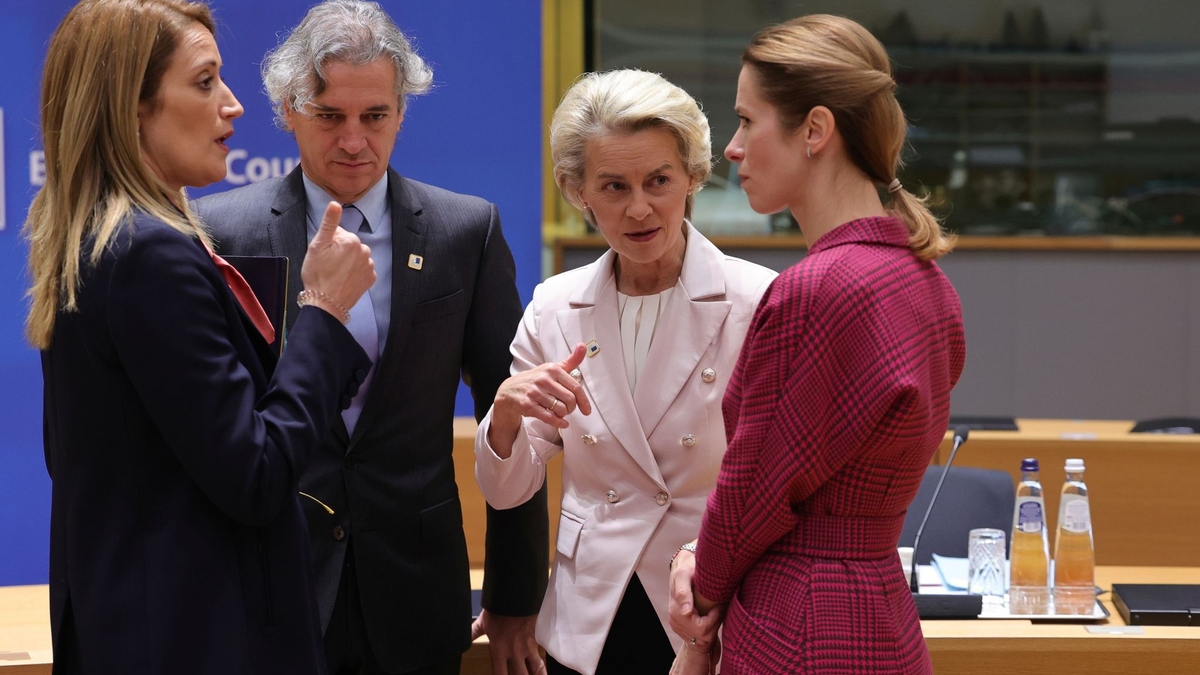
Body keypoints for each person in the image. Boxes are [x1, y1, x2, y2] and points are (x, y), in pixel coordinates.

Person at [193, 2, 547, 673]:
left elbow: (514, 417)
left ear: (401, 112)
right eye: (330, 116)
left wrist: (515, 594)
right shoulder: (221, 232)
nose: (354, 140)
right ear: (289, 111)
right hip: (271, 583)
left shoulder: (463, 232)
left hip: (417, 592)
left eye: (375, 116)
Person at [26, 1, 377, 673]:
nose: (234, 105)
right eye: (205, 80)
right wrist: (325, 310)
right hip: (200, 640)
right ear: (132, 104)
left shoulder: (102, 243)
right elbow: (256, 474)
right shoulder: (148, 257)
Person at [666, 14, 967, 675]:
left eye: (748, 121)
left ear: (815, 130)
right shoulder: (928, 282)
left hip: (799, 619)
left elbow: (754, 485)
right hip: (882, 608)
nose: (733, 148)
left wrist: (701, 581)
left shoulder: (816, 289)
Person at [473, 69, 777, 675]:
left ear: (693, 175)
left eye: (659, 180)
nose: (639, 208)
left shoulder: (756, 299)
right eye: (613, 186)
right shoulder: (554, 306)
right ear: (578, 191)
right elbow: (510, 488)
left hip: (707, 604)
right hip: (590, 609)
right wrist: (505, 413)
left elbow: (773, 478)